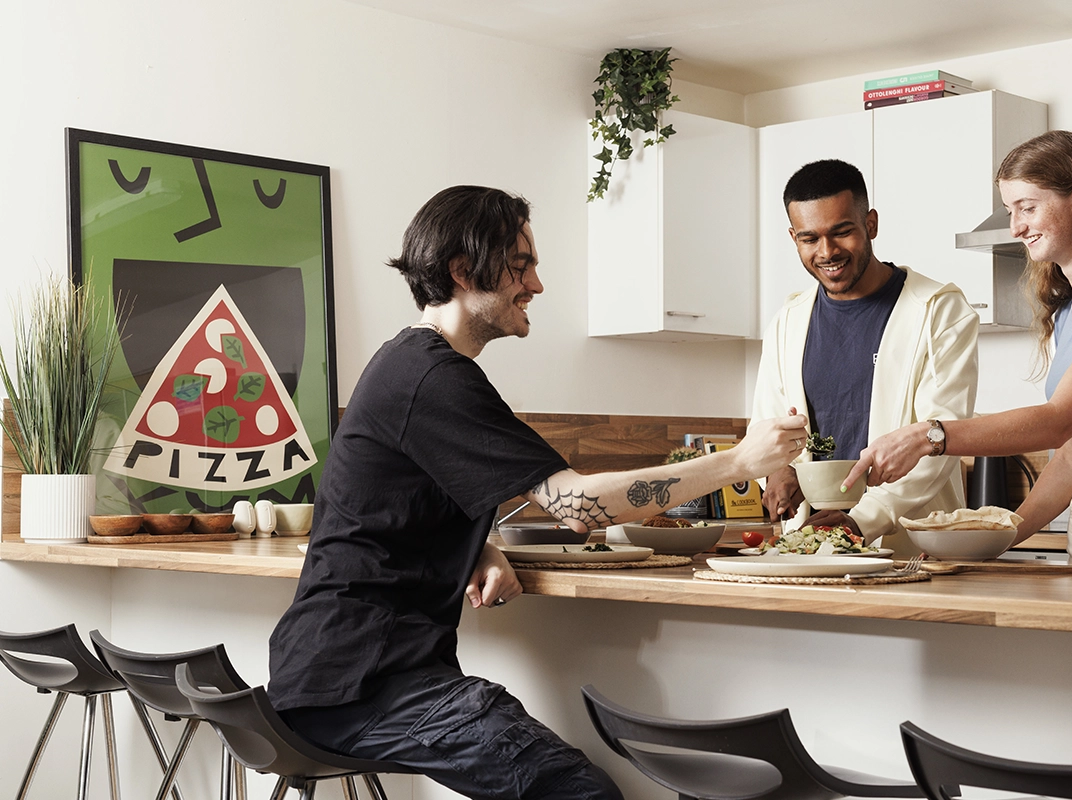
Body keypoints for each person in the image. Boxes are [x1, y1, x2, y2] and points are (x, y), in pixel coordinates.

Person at [266, 185, 808, 800]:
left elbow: (398, 503)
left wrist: (474, 546)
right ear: (464, 271)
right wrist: (738, 460)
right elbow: (579, 507)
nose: (537, 286)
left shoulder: (409, 364)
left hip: (340, 672)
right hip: (361, 684)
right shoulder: (434, 377)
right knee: (582, 794)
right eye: (521, 266)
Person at [842, 130, 1072, 565]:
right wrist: (993, 538)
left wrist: (930, 435)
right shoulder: (1069, 313)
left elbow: (1058, 421)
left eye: (1028, 207)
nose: (1016, 226)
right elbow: (1070, 456)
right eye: (1010, 210)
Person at [750, 159, 979, 556]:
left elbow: (940, 439)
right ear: (794, 238)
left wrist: (860, 522)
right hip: (809, 546)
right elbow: (766, 427)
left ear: (870, 224)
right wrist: (777, 469)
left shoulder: (938, 309)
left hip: (914, 553)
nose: (827, 252)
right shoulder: (788, 321)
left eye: (842, 232)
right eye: (809, 238)